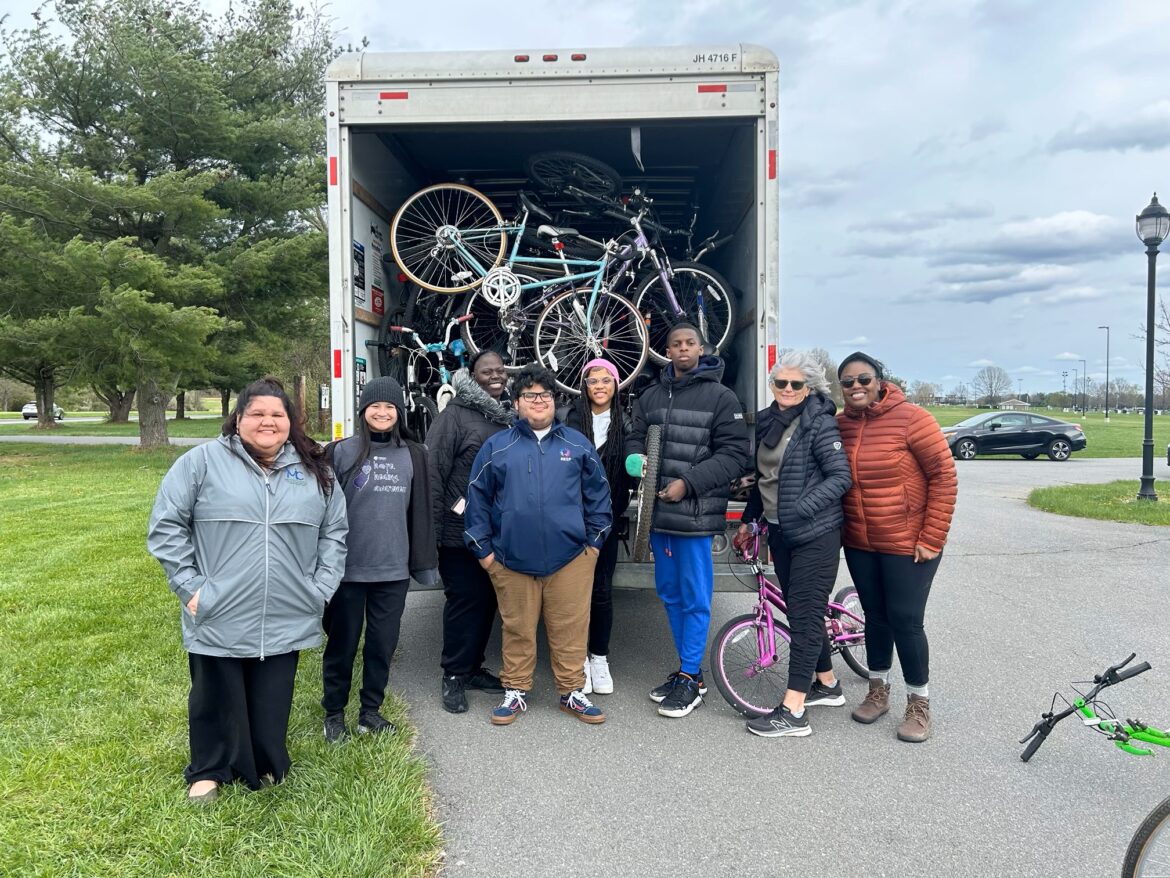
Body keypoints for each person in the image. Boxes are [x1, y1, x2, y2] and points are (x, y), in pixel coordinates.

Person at [147, 377, 347, 803]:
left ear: (290, 421)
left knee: (272, 694)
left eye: (277, 414)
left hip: (289, 606)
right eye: (257, 413)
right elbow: (166, 527)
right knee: (214, 694)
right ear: (238, 419)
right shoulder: (201, 463)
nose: (267, 421)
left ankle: (266, 760)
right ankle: (208, 770)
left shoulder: (316, 471)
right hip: (218, 605)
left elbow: (335, 533)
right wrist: (191, 588)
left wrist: (321, 588)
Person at [464, 363, 612, 726]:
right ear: (516, 403)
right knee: (517, 628)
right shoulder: (497, 446)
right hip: (511, 560)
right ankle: (515, 690)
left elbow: (599, 496)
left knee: (570, 628)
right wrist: (485, 554)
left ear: (554, 401)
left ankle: (572, 691)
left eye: (545, 394)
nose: (538, 400)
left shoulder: (576, 444)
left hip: (571, 559)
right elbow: (477, 499)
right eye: (529, 395)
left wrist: (593, 545)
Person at [626, 323, 750, 719]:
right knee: (669, 594)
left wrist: (688, 483)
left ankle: (690, 675)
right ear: (666, 351)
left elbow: (735, 454)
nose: (683, 349)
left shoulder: (721, 397)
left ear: (701, 348)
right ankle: (688, 672)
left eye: (690, 343)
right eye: (676, 344)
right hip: (658, 515)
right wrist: (634, 458)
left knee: (695, 598)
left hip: (694, 515)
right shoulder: (650, 395)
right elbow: (635, 436)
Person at [836, 352, 957, 743]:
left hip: (908, 543)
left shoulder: (913, 419)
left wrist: (932, 537)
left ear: (879, 381)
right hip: (860, 542)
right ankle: (878, 690)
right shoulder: (840, 425)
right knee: (875, 617)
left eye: (863, 379)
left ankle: (919, 703)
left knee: (905, 620)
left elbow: (943, 477)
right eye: (848, 382)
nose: (856, 387)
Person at [736, 351, 852, 737]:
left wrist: (802, 507)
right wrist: (749, 520)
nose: (787, 389)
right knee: (804, 612)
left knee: (803, 619)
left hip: (815, 534)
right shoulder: (769, 421)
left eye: (795, 384)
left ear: (809, 387)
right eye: (780, 382)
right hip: (781, 533)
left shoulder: (819, 422)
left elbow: (840, 477)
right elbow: (764, 479)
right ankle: (828, 684)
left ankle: (794, 712)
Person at [321, 376, 438, 743]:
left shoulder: (414, 453)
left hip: (393, 570)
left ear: (399, 411)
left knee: (382, 645)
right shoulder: (340, 452)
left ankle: (370, 711)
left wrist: (423, 562)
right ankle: (334, 713)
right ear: (363, 410)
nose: (383, 412)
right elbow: (321, 510)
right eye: (375, 406)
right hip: (347, 571)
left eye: (390, 406)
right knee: (342, 645)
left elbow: (422, 511)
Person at [427, 351, 513, 713]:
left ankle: (473, 668)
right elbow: (433, 472)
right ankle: (453, 674)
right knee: (464, 600)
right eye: (486, 371)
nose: (495, 376)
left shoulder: (507, 416)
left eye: (500, 370)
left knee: (488, 599)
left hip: (494, 532)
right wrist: (431, 534)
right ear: (472, 376)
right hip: (457, 530)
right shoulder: (454, 416)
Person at [558, 358, 635, 695]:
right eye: (593, 381)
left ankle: (599, 657)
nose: (600, 386)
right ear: (584, 386)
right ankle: (577, 660)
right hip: (571, 521)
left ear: (616, 385)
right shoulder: (570, 420)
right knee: (572, 594)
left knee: (602, 591)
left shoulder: (626, 422)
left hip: (606, 522)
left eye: (606, 380)